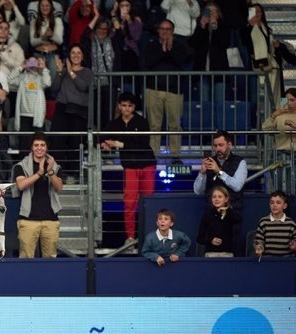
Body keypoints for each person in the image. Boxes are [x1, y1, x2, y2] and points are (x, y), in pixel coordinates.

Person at [100, 92, 157, 246]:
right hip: (130, 167)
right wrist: (103, 143)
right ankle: (130, 238)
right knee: (129, 203)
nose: (126, 108)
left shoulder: (142, 122)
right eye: (124, 105)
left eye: (130, 106)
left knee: (148, 203)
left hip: (147, 165)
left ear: (134, 107)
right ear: (119, 106)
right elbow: (100, 137)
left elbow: (143, 144)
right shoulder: (114, 124)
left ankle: (151, 237)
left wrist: (119, 144)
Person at [143, 19, 189, 163]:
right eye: (162, 29)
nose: (165, 32)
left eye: (168, 29)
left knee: (174, 124)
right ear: (158, 31)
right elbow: (148, 63)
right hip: (153, 90)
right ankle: (153, 154)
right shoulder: (151, 45)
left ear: (173, 31)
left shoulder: (180, 46)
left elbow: (181, 62)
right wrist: (162, 50)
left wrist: (170, 49)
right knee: (154, 125)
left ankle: (175, 154)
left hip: (174, 91)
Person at [11, 131, 63, 258]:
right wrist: (39, 173)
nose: (39, 148)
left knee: (50, 259)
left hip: (50, 219)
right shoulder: (21, 166)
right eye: (36, 145)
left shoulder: (54, 166)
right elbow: (21, 185)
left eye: (42, 145)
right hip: (28, 219)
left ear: (46, 147)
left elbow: (59, 187)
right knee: (25, 259)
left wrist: (50, 172)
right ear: (31, 147)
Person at [50, 44, 93, 182]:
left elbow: (83, 86)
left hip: (78, 111)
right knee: (58, 141)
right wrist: (59, 72)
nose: (75, 55)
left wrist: (71, 72)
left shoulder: (87, 72)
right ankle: (57, 173)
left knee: (75, 143)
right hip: (62, 109)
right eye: (72, 53)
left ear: (83, 56)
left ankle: (73, 174)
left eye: (78, 53)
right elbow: (54, 89)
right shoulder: (64, 71)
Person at [193, 130, 247, 212]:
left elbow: (237, 186)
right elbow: (198, 191)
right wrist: (202, 173)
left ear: (230, 145)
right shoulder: (210, 162)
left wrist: (219, 171)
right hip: (211, 212)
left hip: (233, 212)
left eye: (221, 145)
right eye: (215, 146)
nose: (218, 149)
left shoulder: (240, 162)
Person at [9, 56, 50, 155]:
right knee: (24, 146)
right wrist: (21, 67)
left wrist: (43, 68)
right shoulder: (22, 77)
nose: (32, 64)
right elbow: (9, 80)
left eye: (34, 62)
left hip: (38, 117)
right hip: (24, 116)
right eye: (30, 62)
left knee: (39, 146)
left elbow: (48, 83)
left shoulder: (40, 78)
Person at [196, 185, 241, 257]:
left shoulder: (230, 214)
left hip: (227, 253)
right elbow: (199, 238)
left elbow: (238, 220)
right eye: (214, 197)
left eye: (220, 197)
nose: (216, 199)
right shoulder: (207, 215)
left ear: (226, 199)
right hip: (210, 253)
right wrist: (211, 240)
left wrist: (227, 210)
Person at [253, 191, 296, 257]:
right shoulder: (263, 222)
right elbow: (258, 241)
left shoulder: (291, 224)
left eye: (278, 202)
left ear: (284, 206)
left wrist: (294, 246)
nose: (274, 205)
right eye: (272, 202)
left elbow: (294, 242)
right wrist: (259, 248)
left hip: (286, 261)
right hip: (268, 261)